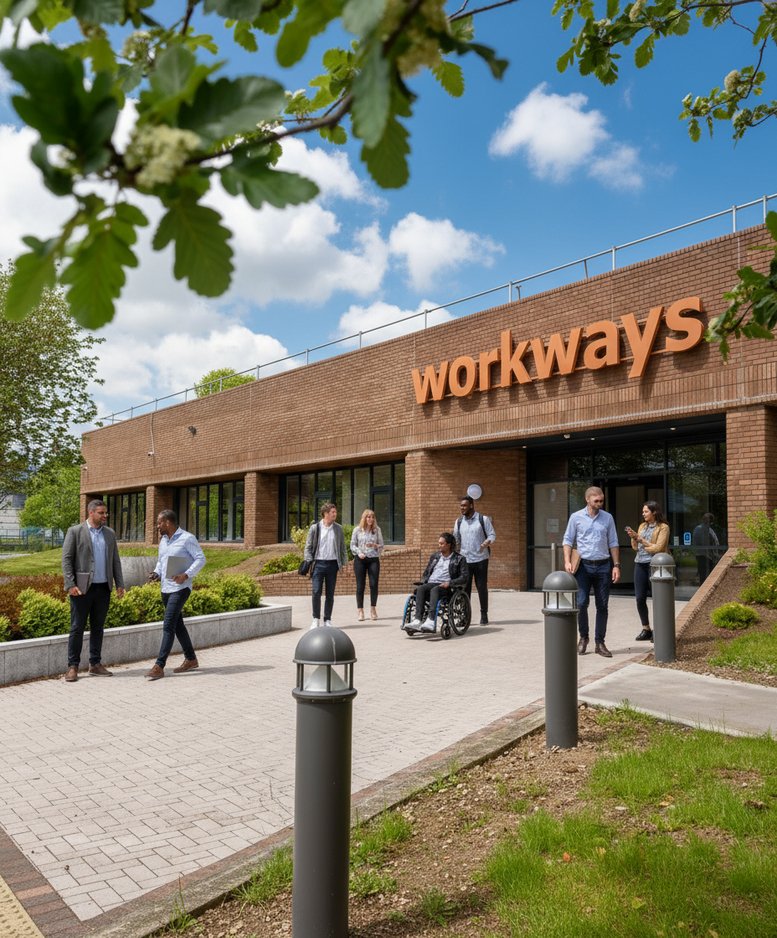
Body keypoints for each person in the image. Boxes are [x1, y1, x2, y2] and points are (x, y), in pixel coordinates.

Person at [61, 499, 125, 682]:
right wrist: (70, 584)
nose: (105, 516)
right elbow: (66, 559)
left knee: (98, 627)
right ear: (91, 513)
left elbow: (115, 561)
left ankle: (95, 664)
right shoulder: (75, 531)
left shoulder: (110, 534)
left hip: (103, 588)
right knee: (77, 627)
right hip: (81, 589)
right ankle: (72, 667)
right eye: (101, 513)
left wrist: (119, 584)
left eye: (106, 513)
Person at [146, 509, 206, 681]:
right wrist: (156, 573)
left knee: (168, 625)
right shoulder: (163, 541)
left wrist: (186, 575)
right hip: (166, 588)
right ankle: (191, 659)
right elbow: (161, 561)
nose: (157, 526)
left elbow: (201, 559)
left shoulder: (187, 538)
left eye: (159, 523)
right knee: (178, 625)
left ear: (167, 523)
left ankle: (159, 665)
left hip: (181, 588)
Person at [562, 486, 620, 658]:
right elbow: (567, 540)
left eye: (602, 500)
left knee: (602, 605)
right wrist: (567, 561)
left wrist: (616, 565)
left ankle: (600, 642)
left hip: (603, 566)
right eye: (597, 501)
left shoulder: (608, 518)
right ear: (587, 499)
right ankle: (583, 638)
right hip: (583, 567)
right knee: (581, 603)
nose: (600, 503)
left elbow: (613, 542)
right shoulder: (576, 517)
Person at [406, 532, 469, 634]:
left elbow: (464, 577)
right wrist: (422, 582)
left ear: (448, 545)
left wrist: (450, 583)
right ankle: (417, 620)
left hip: (446, 587)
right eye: (439, 543)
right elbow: (427, 573)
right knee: (421, 589)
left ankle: (431, 620)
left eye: (441, 543)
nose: (439, 545)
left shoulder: (459, 559)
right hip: (432, 583)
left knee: (435, 590)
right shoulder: (435, 556)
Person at [625, 501, 670, 642]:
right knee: (639, 598)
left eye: (646, 511)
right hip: (640, 564)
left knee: (658, 598)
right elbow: (636, 548)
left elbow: (659, 548)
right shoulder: (642, 526)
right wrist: (634, 538)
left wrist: (641, 540)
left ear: (654, 512)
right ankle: (646, 629)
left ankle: (660, 629)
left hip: (655, 565)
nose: (643, 514)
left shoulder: (663, 528)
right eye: (643, 511)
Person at [304, 502, 348, 629]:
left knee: (330, 593)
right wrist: (309, 560)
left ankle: (327, 619)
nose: (335, 514)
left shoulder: (338, 528)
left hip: (333, 564)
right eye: (333, 512)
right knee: (316, 591)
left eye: (335, 512)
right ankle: (315, 619)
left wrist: (345, 564)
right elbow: (308, 547)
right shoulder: (315, 528)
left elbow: (342, 548)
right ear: (326, 513)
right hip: (318, 564)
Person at [454, 495, 496, 624]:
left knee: (481, 587)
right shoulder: (459, 522)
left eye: (464, 506)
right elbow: (456, 538)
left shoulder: (482, 519)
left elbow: (492, 534)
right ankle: (464, 617)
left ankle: (484, 615)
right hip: (465, 560)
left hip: (481, 559)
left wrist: (486, 542)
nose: (462, 508)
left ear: (471, 505)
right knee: (465, 589)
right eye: (461, 506)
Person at [351, 509, 384, 621]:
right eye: (368, 517)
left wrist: (375, 545)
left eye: (372, 517)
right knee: (360, 585)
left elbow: (382, 545)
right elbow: (352, 545)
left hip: (373, 559)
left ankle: (373, 609)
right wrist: (359, 552)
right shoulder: (357, 530)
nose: (370, 519)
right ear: (364, 518)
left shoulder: (377, 530)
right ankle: (360, 611)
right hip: (360, 560)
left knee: (374, 584)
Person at [692, 512, 720, 584]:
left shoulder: (697, 529)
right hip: (707, 556)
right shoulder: (708, 530)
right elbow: (715, 543)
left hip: (699, 555)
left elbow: (695, 543)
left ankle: (701, 589)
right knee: (708, 576)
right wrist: (715, 555)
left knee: (702, 575)